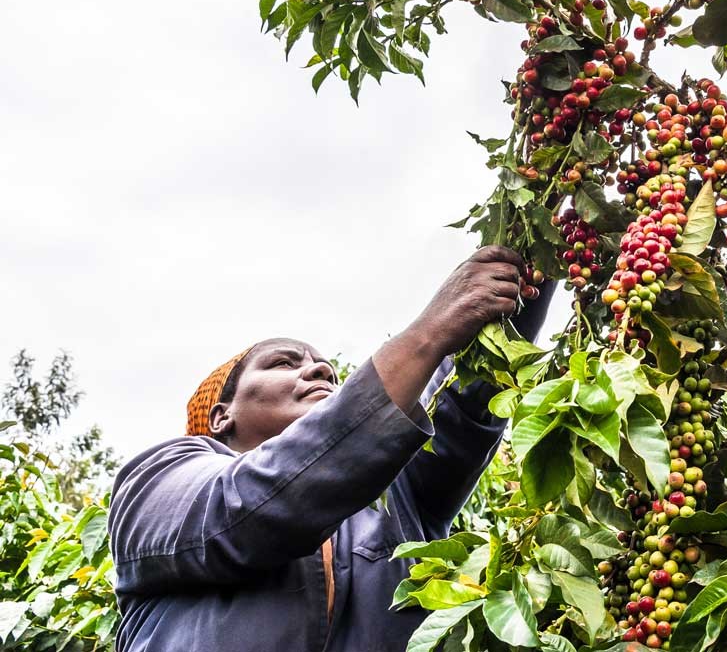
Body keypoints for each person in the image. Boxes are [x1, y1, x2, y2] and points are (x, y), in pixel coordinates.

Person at [107, 246, 552, 651]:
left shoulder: (396, 501)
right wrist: (427, 334)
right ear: (221, 416)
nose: (319, 367)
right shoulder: (158, 480)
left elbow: (462, 400)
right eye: (283, 362)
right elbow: (250, 506)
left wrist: (535, 247)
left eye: (327, 370)